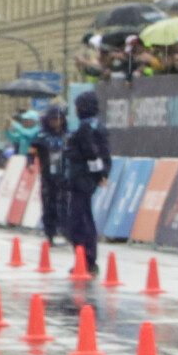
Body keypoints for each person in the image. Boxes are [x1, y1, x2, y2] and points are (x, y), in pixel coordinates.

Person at [65, 92, 110, 276]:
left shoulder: (85, 129)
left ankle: (85, 258)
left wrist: (98, 174)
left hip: (81, 178)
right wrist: (102, 173)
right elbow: (103, 153)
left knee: (79, 220)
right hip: (87, 178)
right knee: (84, 217)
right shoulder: (98, 126)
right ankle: (87, 258)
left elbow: (91, 154)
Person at [28, 105, 70, 247]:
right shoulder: (41, 136)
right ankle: (50, 233)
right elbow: (32, 152)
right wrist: (30, 163)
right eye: (53, 119)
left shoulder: (68, 136)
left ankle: (66, 232)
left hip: (65, 176)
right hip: (48, 176)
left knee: (65, 204)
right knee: (49, 204)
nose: (56, 122)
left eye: (58, 119)